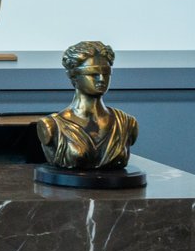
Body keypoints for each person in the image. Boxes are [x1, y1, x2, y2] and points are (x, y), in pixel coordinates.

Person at [36, 38, 140, 173]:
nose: (101, 79)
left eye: (106, 73)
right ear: (74, 76)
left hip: (117, 189)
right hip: (70, 192)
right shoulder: (51, 126)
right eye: (93, 74)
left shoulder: (127, 122)